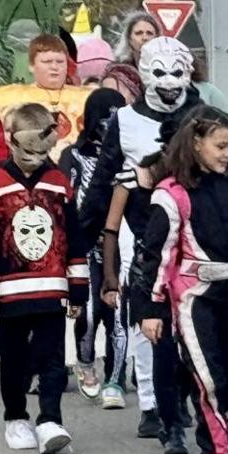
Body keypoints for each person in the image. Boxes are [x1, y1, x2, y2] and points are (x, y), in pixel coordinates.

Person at [135, 105, 228, 454]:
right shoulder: (171, 193)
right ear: (197, 144)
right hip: (193, 295)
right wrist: (152, 309)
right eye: (221, 146)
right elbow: (157, 254)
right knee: (208, 377)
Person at [84, 36, 202, 446]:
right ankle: (153, 405)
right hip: (142, 233)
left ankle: (184, 398)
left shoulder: (203, 115)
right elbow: (103, 183)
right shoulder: (125, 120)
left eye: (177, 71)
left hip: (194, 237)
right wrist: (81, 238)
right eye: (160, 71)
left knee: (192, 325)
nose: (169, 82)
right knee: (147, 324)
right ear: (143, 71)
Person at [0, 103, 88, 454]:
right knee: (16, 358)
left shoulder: (59, 185)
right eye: (27, 151)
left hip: (53, 289)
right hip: (9, 292)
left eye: (42, 152)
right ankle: (16, 416)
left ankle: (50, 419)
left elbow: (74, 238)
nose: (35, 159)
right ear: (11, 142)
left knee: (53, 356)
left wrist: (78, 290)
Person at [58, 88, 129, 407]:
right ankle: (86, 365)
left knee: (118, 312)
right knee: (88, 310)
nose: (109, 127)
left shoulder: (129, 157)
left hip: (120, 242)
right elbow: (65, 201)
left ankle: (115, 376)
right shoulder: (74, 157)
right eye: (105, 120)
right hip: (85, 244)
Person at [0, 33, 92, 168]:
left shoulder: (88, 98)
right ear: (32, 66)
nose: (54, 67)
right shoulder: (9, 98)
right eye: (47, 62)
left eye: (60, 62)